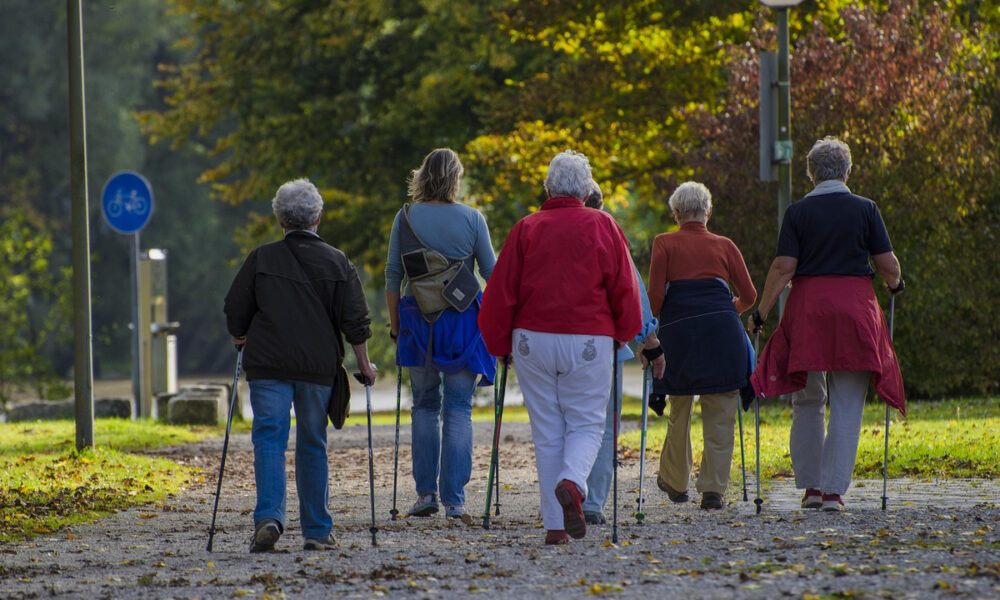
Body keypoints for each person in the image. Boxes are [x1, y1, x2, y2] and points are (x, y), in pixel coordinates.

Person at [478, 150, 641, 545]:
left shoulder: (525, 228)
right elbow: (625, 287)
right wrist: (625, 332)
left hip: (532, 339)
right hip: (588, 337)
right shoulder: (604, 225)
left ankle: (555, 527)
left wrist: (499, 344)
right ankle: (573, 482)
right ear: (586, 190)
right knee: (586, 423)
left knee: (547, 430)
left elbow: (501, 292)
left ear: (548, 188)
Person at [749, 136, 905, 512]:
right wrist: (896, 283)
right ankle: (834, 492)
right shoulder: (866, 208)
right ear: (847, 171)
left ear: (811, 173)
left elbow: (783, 267)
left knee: (808, 398)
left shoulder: (797, 212)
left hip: (808, 311)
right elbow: (887, 264)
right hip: (855, 310)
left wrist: (761, 312)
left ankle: (812, 488)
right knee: (847, 401)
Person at [224, 178, 377, 552]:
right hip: (316, 368)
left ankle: (269, 518)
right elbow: (355, 320)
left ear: (280, 219)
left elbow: (235, 306)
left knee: (269, 438)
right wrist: (365, 365)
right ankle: (318, 530)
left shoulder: (261, 259)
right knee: (312, 442)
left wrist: (239, 335)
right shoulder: (338, 261)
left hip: (268, 365)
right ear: (318, 218)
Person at [385, 148, 497, 520]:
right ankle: (455, 501)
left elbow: (393, 276)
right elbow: (492, 275)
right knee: (459, 408)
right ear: (455, 179)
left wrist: (395, 325)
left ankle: (425, 494)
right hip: (463, 322)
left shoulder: (405, 218)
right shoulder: (473, 218)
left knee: (424, 405)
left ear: (422, 176)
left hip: (417, 321)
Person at [646, 181, 757, 510]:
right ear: (708, 212)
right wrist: (730, 310)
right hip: (723, 335)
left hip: (679, 336)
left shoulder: (664, 243)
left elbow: (655, 299)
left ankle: (675, 481)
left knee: (680, 409)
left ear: (676, 214)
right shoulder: (725, 245)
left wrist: (649, 332)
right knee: (721, 413)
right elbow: (749, 296)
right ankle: (713, 491)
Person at [581, 181, 665, 525]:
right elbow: (632, 290)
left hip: (555, 344)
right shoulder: (609, 233)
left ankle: (567, 492)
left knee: (566, 424)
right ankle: (593, 502)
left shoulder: (544, 231)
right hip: (606, 345)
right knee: (603, 425)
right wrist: (650, 342)